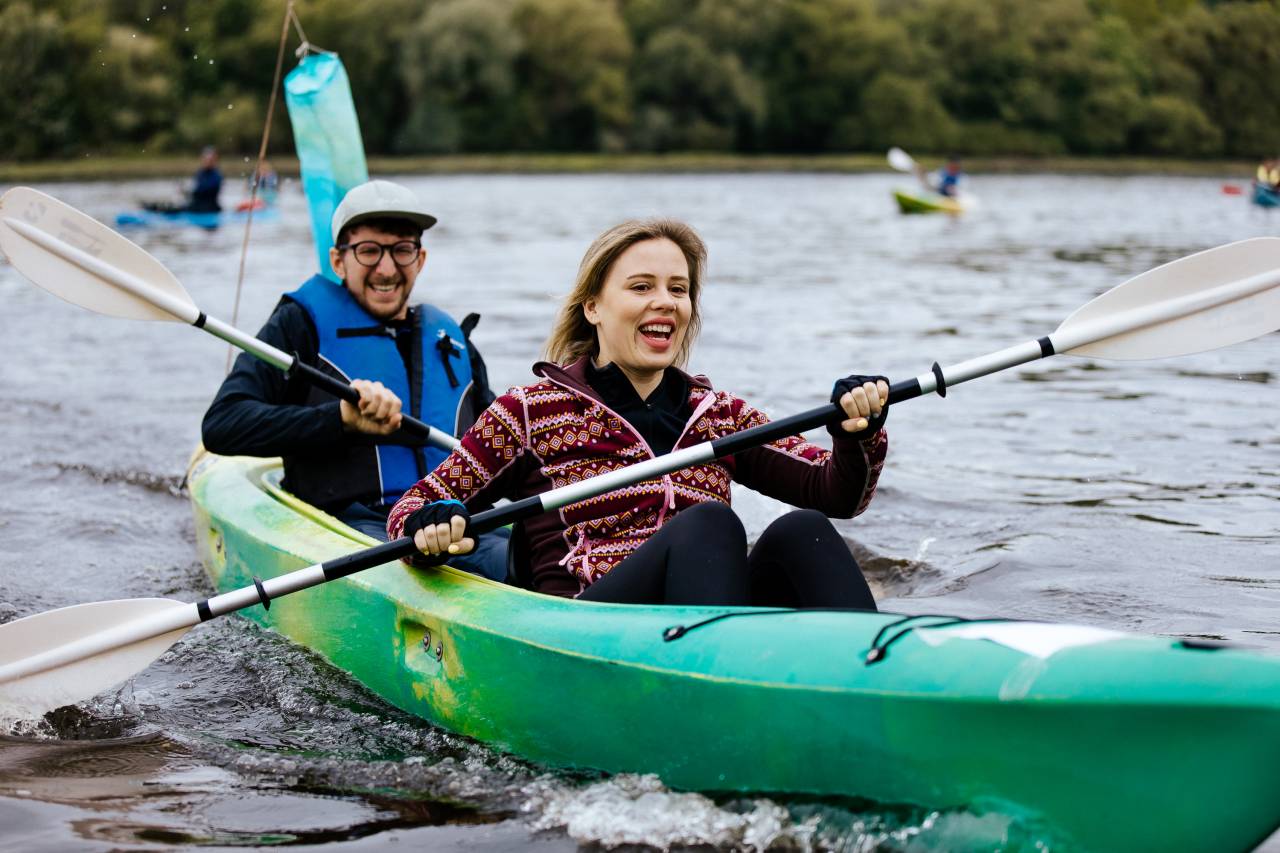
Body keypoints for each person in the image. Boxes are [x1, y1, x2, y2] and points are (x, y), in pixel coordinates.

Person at [387, 219, 888, 608]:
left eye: (678, 288)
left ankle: (878, 684)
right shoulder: (527, 412)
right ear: (593, 308)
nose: (665, 302)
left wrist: (856, 433)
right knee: (709, 524)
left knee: (804, 530)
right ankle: (714, 702)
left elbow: (837, 494)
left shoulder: (718, 414)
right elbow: (408, 513)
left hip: (711, 614)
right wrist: (433, 525)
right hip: (590, 628)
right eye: (641, 287)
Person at [201, 179, 508, 580]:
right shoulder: (299, 326)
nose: (386, 268)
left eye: (401, 250)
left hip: (456, 523)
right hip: (355, 529)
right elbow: (222, 425)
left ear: (421, 259)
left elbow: (506, 452)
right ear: (338, 260)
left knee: (548, 560)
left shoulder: (452, 342)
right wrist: (341, 420)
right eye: (369, 251)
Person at [144, 146, 223, 215]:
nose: (208, 160)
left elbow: (203, 191)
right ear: (202, 158)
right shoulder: (200, 173)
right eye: (206, 158)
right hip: (197, 205)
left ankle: (156, 211)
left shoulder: (216, 176)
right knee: (169, 205)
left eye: (210, 158)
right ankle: (150, 208)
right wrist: (184, 191)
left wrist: (187, 191)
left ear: (215, 159)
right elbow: (196, 193)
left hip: (209, 208)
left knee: (174, 209)